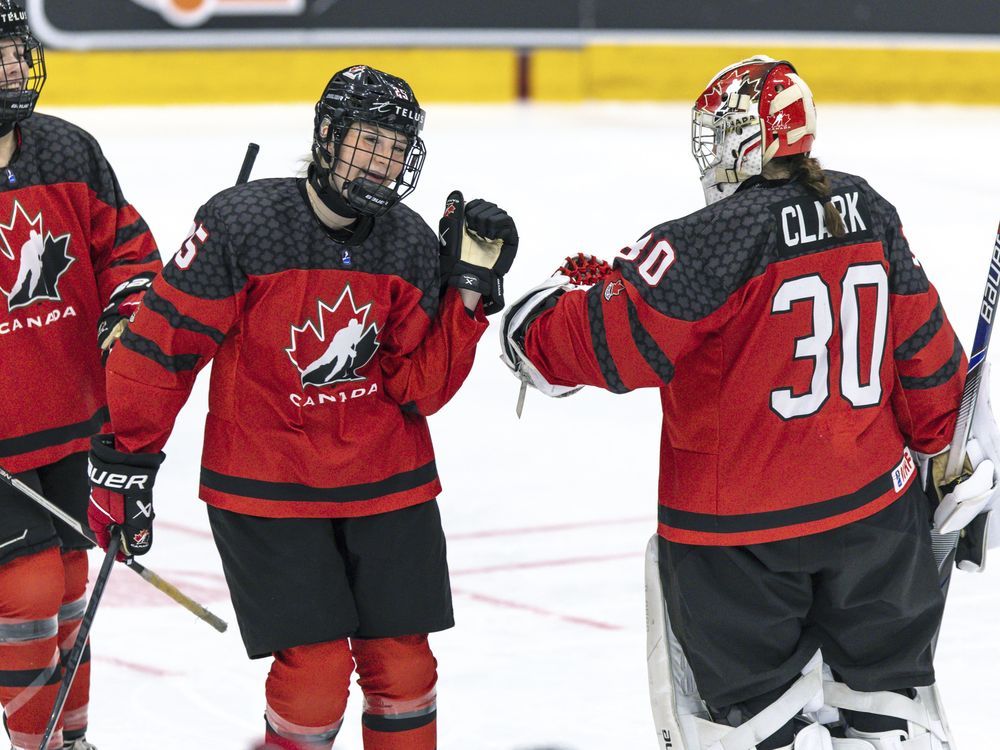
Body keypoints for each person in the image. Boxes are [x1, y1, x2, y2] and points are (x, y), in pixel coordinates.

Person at [500, 56, 997, 749]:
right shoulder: (867, 208)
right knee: (888, 718)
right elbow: (925, 352)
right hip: (876, 525)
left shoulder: (709, 238)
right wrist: (955, 460)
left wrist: (534, 326)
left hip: (738, 543)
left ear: (749, 138)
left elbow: (615, 346)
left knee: (749, 726)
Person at [85, 65, 517, 750]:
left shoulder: (407, 243)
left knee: (404, 667)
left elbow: (421, 389)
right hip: (266, 484)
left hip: (386, 481)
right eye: (369, 141)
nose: (383, 162)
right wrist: (124, 462)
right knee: (313, 675)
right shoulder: (244, 226)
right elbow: (165, 346)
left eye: (396, 148)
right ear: (327, 135)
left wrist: (467, 292)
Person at [0, 1, 162, 748]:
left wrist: (128, 312)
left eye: (14, 49)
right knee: (26, 590)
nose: (11, 67)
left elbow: (128, 254)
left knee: (69, 587)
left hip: (71, 419)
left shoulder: (68, 151)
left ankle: (72, 739)